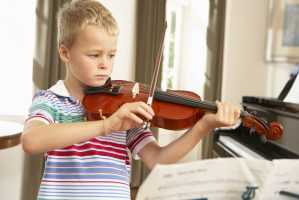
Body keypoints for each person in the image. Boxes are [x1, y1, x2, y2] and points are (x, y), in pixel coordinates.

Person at [22, 0, 241, 199]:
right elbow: (31, 141)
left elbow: (158, 159)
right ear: (65, 52)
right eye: (94, 55)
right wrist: (106, 126)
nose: (105, 64)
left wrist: (202, 127)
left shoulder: (123, 108)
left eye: (111, 55)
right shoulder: (51, 100)